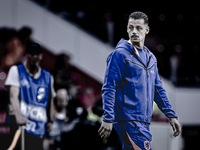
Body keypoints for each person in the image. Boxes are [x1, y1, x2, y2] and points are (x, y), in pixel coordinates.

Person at [98, 11, 181, 150]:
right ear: (127, 28)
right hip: (129, 120)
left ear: (147, 30)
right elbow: (109, 87)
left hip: (143, 121)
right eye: (131, 27)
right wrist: (108, 118)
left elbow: (158, 90)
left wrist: (171, 115)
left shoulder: (151, 58)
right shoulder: (119, 54)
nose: (134, 31)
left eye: (139, 28)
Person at [5, 42, 56, 150]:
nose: (33, 57)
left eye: (36, 54)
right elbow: (13, 96)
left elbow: (50, 99)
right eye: (31, 54)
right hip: (20, 127)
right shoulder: (16, 71)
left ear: (41, 56)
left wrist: (50, 120)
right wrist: (18, 116)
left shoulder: (48, 77)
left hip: (39, 127)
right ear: (26, 55)